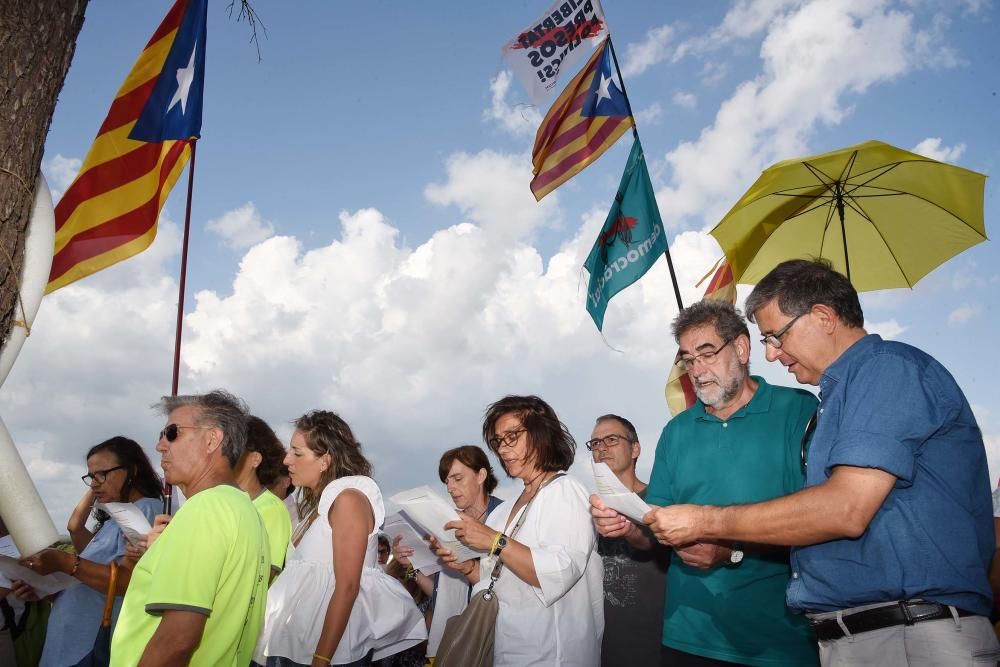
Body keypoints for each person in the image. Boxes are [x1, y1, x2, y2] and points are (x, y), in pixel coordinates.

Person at [644, 259, 999, 666]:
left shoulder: (887, 369)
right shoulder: (837, 400)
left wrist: (707, 522)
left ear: (823, 317)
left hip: (911, 633)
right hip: (860, 633)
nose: (773, 354)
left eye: (776, 336)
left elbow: (844, 509)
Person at [592, 299, 818, 666]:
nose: (697, 370)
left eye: (707, 353)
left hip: (781, 639)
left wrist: (731, 550)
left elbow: (820, 519)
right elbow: (652, 531)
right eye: (687, 359)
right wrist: (626, 528)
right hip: (688, 637)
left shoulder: (798, 410)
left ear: (742, 348)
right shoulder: (676, 432)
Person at [438, 395, 603, 667]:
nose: (503, 449)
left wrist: (493, 540)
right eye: (498, 441)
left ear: (541, 434)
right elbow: (499, 581)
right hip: (509, 647)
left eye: (511, 436)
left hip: (552, 653)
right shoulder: (505, 510)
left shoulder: (564, 491)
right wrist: (467, 567)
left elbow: (560, 571)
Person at [253, 410, 426, 666]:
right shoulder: (319, 505)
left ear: (325, 461)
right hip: (297, 643)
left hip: (325, 651)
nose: (287, 460)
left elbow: (347, 587)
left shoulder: (348, 500)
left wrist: (321, 659)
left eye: (297, 453)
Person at [109, 390, 270, 666]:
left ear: (211, 439)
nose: (160, 445)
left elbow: (177, 641)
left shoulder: (204, 510)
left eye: (172, 433)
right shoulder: (246, 510)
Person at [14, 437, 162, 667]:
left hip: (91, 644)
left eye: (102, 474)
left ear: (132, 470)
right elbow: (86, 567)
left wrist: (65, 562)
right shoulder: (115, 520)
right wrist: (45, 588)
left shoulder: (146, 511)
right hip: (70, 641)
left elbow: (128, 582)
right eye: (90, 477)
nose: (94, 483)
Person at [391, 445, 503, 662]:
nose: (450, 488)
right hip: (452, 639)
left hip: (491, 640)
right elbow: (441, 594)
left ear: (481, 475)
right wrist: (410, 567)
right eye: (447, 482)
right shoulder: (446, 524)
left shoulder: (504, 519)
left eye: (457, 478)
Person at [588, 414, 669, 666]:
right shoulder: (590, 509)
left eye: (611, 439)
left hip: (656, 644)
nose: (601, 448)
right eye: (595, 443)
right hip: (603, 645)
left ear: (635, 449)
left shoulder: (661, 501)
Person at [236, 415, 294, 579]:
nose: (227, 453)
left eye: (235, 446)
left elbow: (264, 576)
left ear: (255, 459)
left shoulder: (272, 510)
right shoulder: (223, 503)